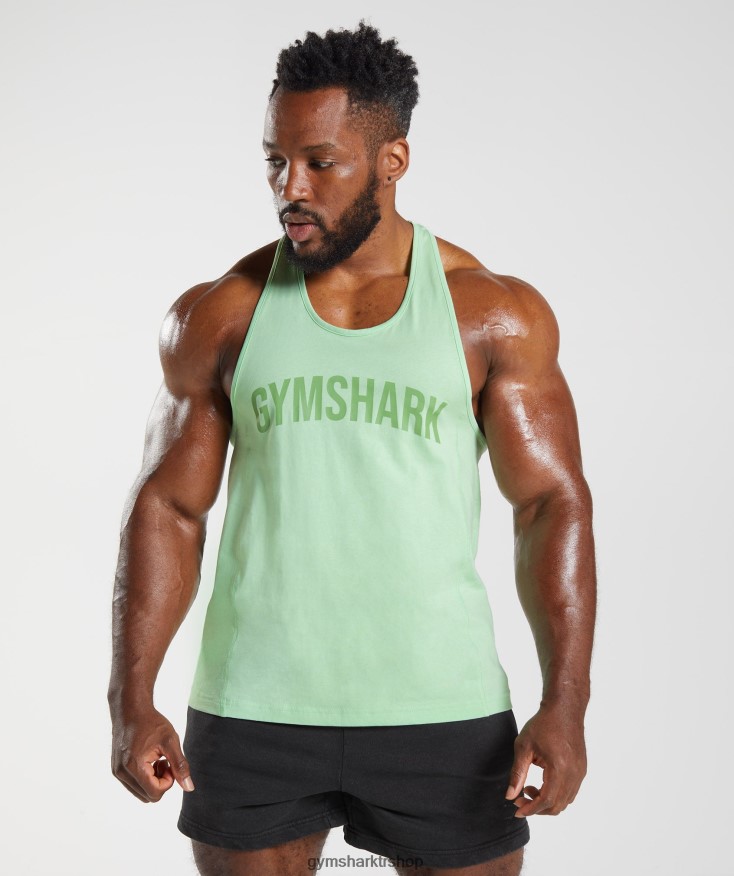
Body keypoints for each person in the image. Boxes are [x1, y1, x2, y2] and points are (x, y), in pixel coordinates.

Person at [108, 21, 596, 876]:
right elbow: (169, 507)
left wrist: (566, 704)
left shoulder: (490, 314)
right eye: (274, 161)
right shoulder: (221, 315)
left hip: (441, 706)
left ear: (392, 161)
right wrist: (130, 698)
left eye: (320, 163)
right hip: (254, 705)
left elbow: (550, 504)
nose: (289, 188)